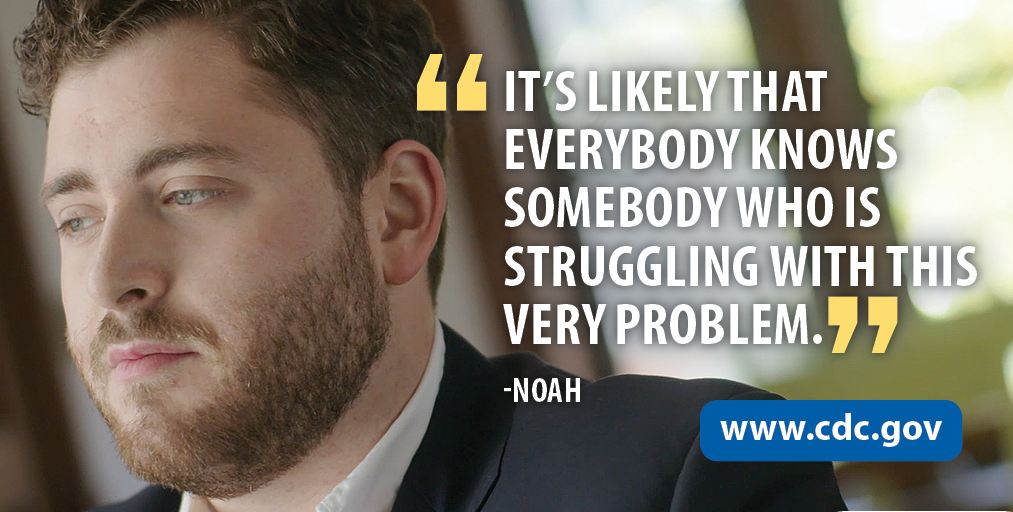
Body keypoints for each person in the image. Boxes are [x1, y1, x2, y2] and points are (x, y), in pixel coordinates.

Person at [15, 0, 847, 510]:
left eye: (188, 193)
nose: (110, 279)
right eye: (77, 219)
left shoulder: (686, 478)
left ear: (398, 213)